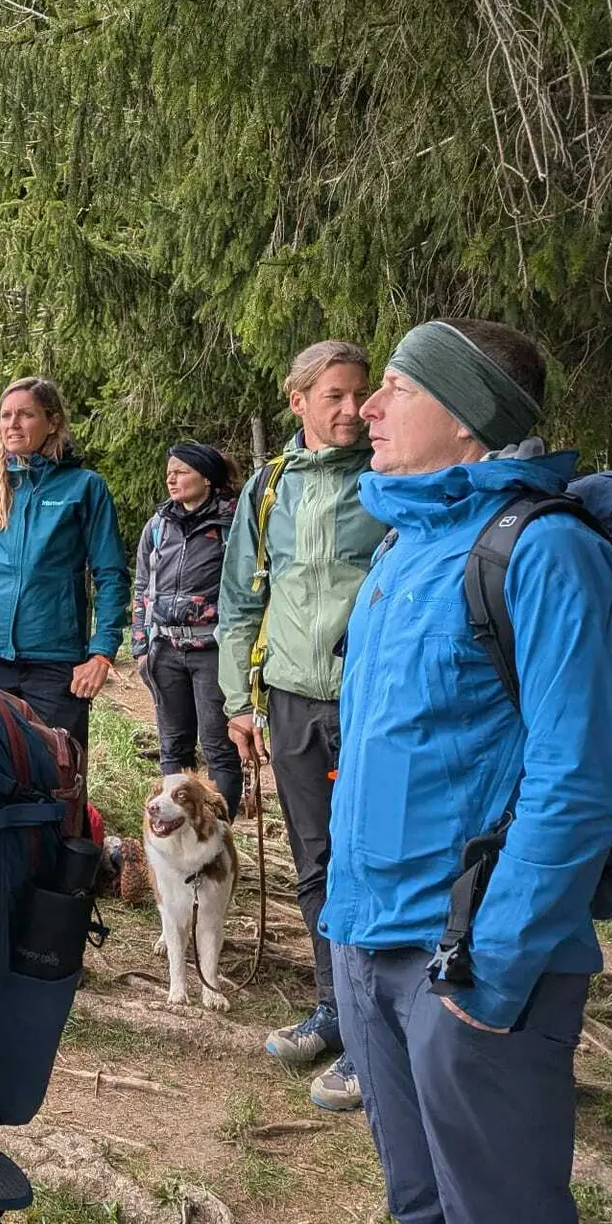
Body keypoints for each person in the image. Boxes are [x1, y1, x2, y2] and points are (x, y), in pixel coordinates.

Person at [327, 319, 612, 1224]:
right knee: (422, 1216)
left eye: (396, 388)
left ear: (470, 418)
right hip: (365, 946)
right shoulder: (397, 549)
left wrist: (488, 974)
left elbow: (576, 782)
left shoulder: (544, 555)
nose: (368, 409)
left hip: (467, 967)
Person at [216, 340, 385, 1109]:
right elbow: (242, 603)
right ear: (299, 403)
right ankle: (335, 1011)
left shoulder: (390, 478)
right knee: (315, 863)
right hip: (289, 701)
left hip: (374, 703)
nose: (353, 410)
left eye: (362, 394)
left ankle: (378, 1031)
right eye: (336, 396)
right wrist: (238, 703)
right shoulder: (268, 489)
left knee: (376, 861)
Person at [0, 375, 129, 749]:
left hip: (55, 663)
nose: (12, 424)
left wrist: (101, 654)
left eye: (25, 415)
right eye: (5, 416)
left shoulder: (84, 487)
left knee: (57, 774)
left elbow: (111, 576)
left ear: (52, 422)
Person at [133, 442, 244, 817]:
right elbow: (141, 587)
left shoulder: (233, 524)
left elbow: (249, 589)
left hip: (213, 652)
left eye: (181, 470)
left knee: (218, 749)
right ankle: (177, 842)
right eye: (170, 470)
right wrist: (140, 646)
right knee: (173, 748)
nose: (171, 477)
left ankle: (218, 840)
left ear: (208, 478)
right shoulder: (158, 527)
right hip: (165, 650)